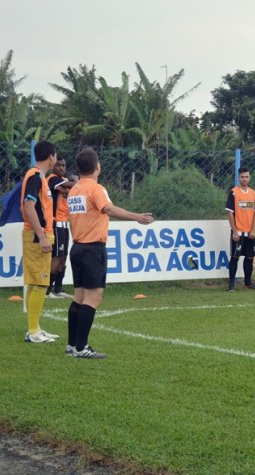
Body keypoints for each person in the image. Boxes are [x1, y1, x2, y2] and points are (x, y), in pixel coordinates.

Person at [66, 147, 154, 359]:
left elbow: (72, 220)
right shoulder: (96, 189)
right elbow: (109, 209)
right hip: (92, 248)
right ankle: (81, 347)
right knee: (93, 298)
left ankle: (72, 345)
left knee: (79, 296)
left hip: (77, 247)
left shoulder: (74, 190)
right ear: (97, 166)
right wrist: (137, 217)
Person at [21, 141, 59, 344]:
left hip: (40, 233)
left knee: (36, 282)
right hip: (37, 235)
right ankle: (33, 331)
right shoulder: (35, 176)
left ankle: (34, 328)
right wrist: (42, 235)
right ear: (51, 156)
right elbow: (29, 206)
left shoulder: (39, 177)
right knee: (41, 283)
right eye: (56, 156)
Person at [46, 158, 77, 298]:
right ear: (53, 166)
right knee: (57, 257)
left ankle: (58, 289)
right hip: (56, 223)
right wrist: (76, 183)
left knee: (63, 257)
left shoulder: (63, 181)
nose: (61, 168)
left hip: (65, 224)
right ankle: (47, 290)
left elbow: (70, 186)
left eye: (63, 165)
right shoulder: (52, 179)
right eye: (58, 165)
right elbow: (72, 185)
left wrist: (69, 186)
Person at [226, 167, 255, 291]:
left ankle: (247, 282)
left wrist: (253, 230)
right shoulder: (234, 192)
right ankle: (231, 285)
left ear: (249, 178)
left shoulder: (253, 193)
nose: (244, 179)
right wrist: (234, 231)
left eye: (246, 177)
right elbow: (230, 213)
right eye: (242, 177)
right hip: (238, 232)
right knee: (235, 257)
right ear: (238, 178)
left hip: (250, 232)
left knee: (250, 257)